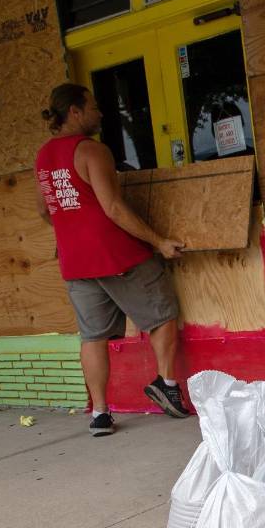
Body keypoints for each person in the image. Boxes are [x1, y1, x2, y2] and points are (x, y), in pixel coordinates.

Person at [35, 83, 191, 435]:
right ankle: (166, 385)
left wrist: (71, 233)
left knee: (92, 337)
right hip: (115, 255)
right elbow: (114, 208)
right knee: (162, 312)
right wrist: (160, 241)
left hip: (76, 262)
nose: (100, 113)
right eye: (93, 107)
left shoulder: (44, 157)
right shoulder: (91, 151)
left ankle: (100, 414)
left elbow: (46, 210)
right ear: (75, 112)